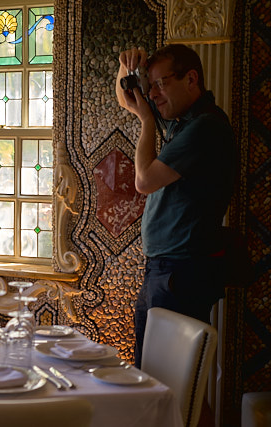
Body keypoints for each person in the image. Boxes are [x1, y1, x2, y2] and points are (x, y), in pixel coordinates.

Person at [116, 44, 236, 368]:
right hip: (170, 270)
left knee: (166, 381)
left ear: (191, 79)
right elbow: (126, 99)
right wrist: (125, 69)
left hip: (180, 273)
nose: (152, 94)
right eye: (150, 84)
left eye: (160, 83)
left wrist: (146, 122)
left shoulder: (204, 128)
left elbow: (144, 180)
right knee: (174, 383)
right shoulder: (184, 121)